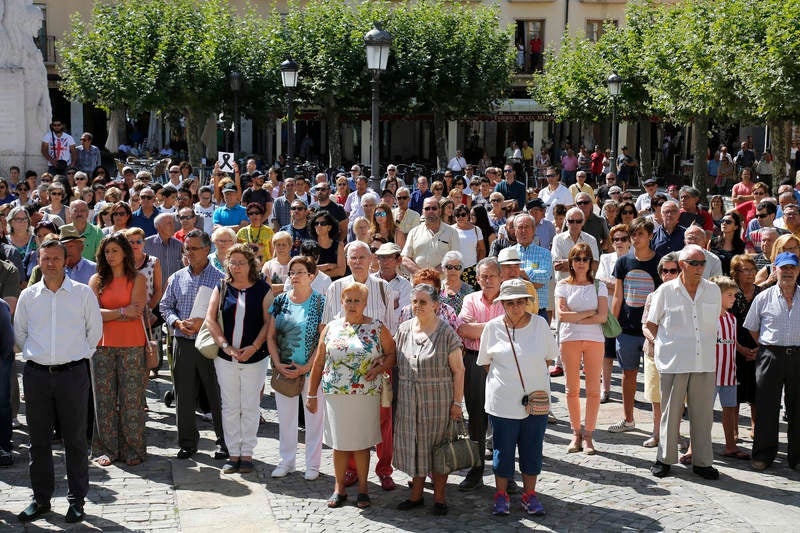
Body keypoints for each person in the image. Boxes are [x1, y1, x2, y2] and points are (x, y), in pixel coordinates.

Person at [14, 239, 102, 524]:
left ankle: (77, 501)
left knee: (75, 440)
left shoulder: (82, 294)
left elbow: (94, 333)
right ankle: (41, 499)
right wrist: (42, 358)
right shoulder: (29, 296)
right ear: (38, 260)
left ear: (66, 261)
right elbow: (20, 335)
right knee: (38, 441)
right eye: (45, 258)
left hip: (73, 375)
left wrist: (74, 358)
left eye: (55, 258)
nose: (50, 263)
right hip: (37, 376)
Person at [306, 282, 396, 509]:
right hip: (336, 395)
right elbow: (318, 362)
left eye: (358, 300)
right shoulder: (331, 328)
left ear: (365, 303)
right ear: (342, 302)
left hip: (366, 394)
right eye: (349, 300)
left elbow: (392, 354)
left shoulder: (377, 327)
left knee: (362, 443)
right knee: (339, 443)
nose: (353, 304)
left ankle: (364, 489)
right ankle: (339, 487)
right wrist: (311, 394)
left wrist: (380, 367)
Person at [478, 279, 558, 516]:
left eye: (520, 302)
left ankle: (529, 495)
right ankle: (501, 495)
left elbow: (548, 359)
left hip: (535, 400)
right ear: (502, 304)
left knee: (532, 449)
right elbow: (485, 363)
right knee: (502, 451)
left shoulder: (540, 325)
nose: (515, 307)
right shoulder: (492, 327)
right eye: (510, 302)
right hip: (502, 402)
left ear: (527, 302)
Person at [322, 241, 397, 489]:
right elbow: (327, 327)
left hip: (379, 369)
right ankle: (352, 470)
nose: (357, 262)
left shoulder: (383, 287)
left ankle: (385, 469)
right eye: (352, 258)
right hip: (344, 373)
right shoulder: (335, 288)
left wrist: (385, 361)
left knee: (384, 421)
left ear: (371, 259)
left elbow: (392, 327)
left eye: (362, 257)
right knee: (351, 424)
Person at [647, 244, 722, 480]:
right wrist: (661, 347)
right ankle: (664, 458)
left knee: (703, 415)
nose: (700, 268)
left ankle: (702, 462)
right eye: (695, 263)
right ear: (682, 265)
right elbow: (651, 323)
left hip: (704, 361)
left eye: (703, 264)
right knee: (670, 414)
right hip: (674, 361)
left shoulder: (713, 291)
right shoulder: (665, 291)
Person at [393, 284, 464, 515]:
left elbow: (459, 370)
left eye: (423, 302)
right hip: (408, 400)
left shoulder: (446, 333)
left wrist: (456, 403)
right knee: (415, 447)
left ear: (435, 305)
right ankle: (416, 495)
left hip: (438, 402)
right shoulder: (403, 330)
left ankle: (440, 498)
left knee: (438, 450)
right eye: (414, 301)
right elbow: (391, 358)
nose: (417, 306)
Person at [205, 245, 273, 475]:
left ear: (250, 264)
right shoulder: (222, 286)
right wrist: (226, 346)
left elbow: (268, 321)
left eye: (241, 262)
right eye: (232, 262)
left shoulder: (263, 288)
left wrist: (254, 347)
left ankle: (247, 454)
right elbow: (210, 319)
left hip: (255, 358)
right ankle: (233, 453)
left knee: (250, 405)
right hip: (226, 357)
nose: (236, 267)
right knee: (230, 405)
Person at [159, 229, 227, 460]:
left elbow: (226, 311)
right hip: (183, 342)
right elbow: (164, 306)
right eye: (187, 248)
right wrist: (176, 322)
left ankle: (223, 442)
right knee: (183, 395)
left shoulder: (220, 277)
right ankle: (188, 443)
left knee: (216, 394)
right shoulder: (177, 277)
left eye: (194, 248)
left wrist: (205, 324)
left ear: (208, 249)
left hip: (209, 343)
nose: (190, 253)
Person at [88, 234, 148, 467]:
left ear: (124, 252)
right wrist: (121, 312)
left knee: (131, 400)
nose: (110, 256)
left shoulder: (138, 279)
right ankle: (107, 449)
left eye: (114, 251)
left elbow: (137, 310)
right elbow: (93, 314)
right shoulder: (97, 280)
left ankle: (133, 449)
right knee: (104, 400)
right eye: (106, 252)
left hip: (132, 344)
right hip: (101, 346)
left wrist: (109, 313)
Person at [267, 256, 325, 479]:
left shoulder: (320, 302)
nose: (295, 276)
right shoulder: (280, 300)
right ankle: (286, 461)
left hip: (311, 370)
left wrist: (308, 366)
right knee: (286, 417)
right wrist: (277, 364)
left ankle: (313, 465)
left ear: (311, 276)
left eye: (300, 272)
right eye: (292, 272)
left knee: (313, 419)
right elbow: (271, 336)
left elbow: (323, 339)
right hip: (284, 369)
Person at [456, 258, 511, 492]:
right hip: (474, 361)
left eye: (491, 276)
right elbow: (463, 329)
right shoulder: (469, 299)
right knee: (476, 418)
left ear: (501, 277)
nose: (487, 281)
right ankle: (476, 470)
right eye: (483, 277)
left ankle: (506, 474)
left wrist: (481, 327)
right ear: (477, 279)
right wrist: (496, 327)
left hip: (503, 363)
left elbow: (513, 329)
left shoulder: (509, 300)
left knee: (505, 419)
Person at [744, 251, 800, 471]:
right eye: (783, 267)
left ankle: (797, 457)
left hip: (798, 356)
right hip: (770, 355)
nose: (787, 272)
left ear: (798, 271)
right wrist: (768, 346)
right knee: (766, 407)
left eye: (792, 268)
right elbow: (752, 327)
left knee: (799, 407)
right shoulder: (763, 297)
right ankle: (763, 455)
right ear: (774, 270)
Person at [610, 217, 661, 434]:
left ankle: (661, 426)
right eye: (633, 234)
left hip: (653, 329)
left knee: (657, 378)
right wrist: (611, 326)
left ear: (650, 236)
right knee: (628, 374)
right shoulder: (622, 262)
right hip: (627, 329)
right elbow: (617, 296)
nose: (636, 238)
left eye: (641, 234)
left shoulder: (660, 263)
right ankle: (628, 419)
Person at [555, 242, 607, 455]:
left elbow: (602, 316)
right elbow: (561, 316)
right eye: (577, 258)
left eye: (585, 258)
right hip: (569, 339)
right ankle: (575, 432)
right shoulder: (563, 285)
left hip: (595, 339)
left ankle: (589, 435)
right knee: (572, 389)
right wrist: (588, 313)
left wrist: (575, 316)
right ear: (571, 262)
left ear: (590, 262)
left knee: (594, 390)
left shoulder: (599, 285)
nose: (581, 263)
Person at [640, 252, 681, 449]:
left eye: (673, 271)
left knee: (677, 399)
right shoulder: (653, 296)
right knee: (656, 398)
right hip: (653, 353)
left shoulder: (685, 297)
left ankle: (675, 435)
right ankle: (656, 434)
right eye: (665, 271)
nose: (668, 274)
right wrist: (657, 341)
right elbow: (645, 325)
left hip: (678, 354)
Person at [596, 224, 630, 401]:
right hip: (609, 311)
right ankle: (606, 388)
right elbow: (600, 282)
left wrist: (613, 285)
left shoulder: (634, 258)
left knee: (627, 354)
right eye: (615, 239)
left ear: (630, 240)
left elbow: (631, 286)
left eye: (623, 238)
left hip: (630, 312)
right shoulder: (605, 258)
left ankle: (628, 390)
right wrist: (620, 286)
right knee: (607, 352)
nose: (619, 242)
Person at [730, 254, 760, 442]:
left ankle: (755, 427)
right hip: (735, 348)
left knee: (757, 391)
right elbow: (725, 324)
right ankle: (733, 430)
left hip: (759, 348)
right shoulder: (730, 294)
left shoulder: (762, 293)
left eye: (752, 270)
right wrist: (739, 349)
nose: (750, 274)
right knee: (734, 392)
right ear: (736, 273)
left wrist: (759, 348)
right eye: (745, 270)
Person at [401, 196, 459, 274]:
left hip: (442, 284)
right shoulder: (413, 232)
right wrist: (420, 275)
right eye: (427, 209)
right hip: (418, 283)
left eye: (434, 208)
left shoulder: (452, 232)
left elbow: (454, 258)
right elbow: (405, 258)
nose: (430, 211)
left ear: (439, 211)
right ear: (423, 212)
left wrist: (432, 275)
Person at [373, 242, 412, 326]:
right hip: (372, 332)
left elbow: (402, 314)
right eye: (382, 258)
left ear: (398, 260)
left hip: (396, 334)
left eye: (389, 258)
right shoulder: (369, 281)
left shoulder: (405, 285)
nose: (385, 262)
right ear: (378, 260)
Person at [452, 203, 485, 289]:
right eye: (457, 215)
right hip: (454, 269)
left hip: (471, 269)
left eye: (463, 215)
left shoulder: (476, 230)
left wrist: (478, 267)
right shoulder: (450, 230)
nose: (460, 218)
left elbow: (482, 249)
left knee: (470, 295)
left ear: (468, 215)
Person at [144, 213, 183, 283]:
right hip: (154, 291)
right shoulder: (146, 244)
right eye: (169, 223)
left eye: (173, 223)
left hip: (174, 290)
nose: (173, 226)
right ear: (159, 227)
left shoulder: (179, 245)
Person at [309, 210, 345, 279]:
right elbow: (308, 269)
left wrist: (318, 273)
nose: (319, 226)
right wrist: (327, 266)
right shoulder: (310, 246)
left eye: (323, 223)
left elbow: (341, 271)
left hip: (334, 285)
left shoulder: (339, 245)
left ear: (329, 227)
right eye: (316, 223)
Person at [440, 250, 474, 315]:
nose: (453, 270)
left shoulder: (469, 291)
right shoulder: (437, 287)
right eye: (449, 267)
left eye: (457, 267)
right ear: (443, 268)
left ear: (461, 270)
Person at [392, 187, 420, 251]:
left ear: (409, 199)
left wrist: (400, 236)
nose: (401, 200)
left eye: (404, 198)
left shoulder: (415, 215)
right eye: (399, 198)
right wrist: (398, 222)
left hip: (408, 250)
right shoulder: (391, 213)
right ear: (396, 200)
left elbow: (414, 237)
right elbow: (390, 234)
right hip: (393, 250)